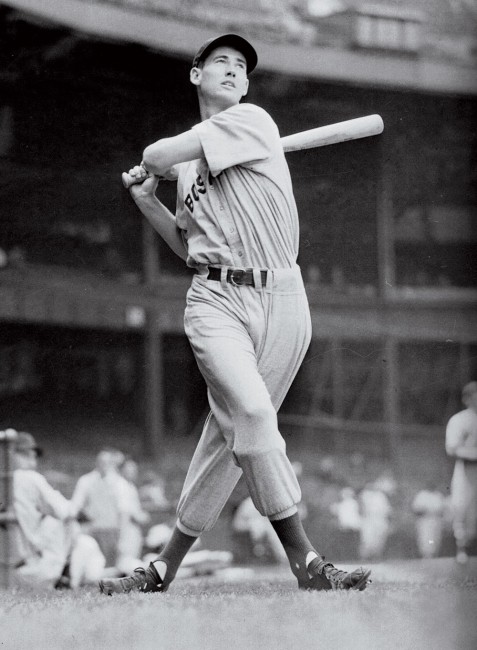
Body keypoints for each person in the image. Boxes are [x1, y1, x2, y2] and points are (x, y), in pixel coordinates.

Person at [100, 33, 370, 595]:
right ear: (195, 75)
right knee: (251, 413)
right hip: (215, 299)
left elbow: (153, 155)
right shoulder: (191, 171)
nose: (231, 71)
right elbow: (185, 243)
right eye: (218, 62)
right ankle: (309, 563)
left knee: (234, 436)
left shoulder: (252, 121)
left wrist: (155, 169)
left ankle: (161, 569)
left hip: (285, 298)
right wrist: (149, 200)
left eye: (240, 67)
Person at [11, 431, 105, 588]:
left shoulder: (9, 479)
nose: (32, 460)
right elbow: (66, 511)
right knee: (75, 531)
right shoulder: (29, 478)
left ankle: (70, 576)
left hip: (5, 570)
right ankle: (67, 577)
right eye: (29, 454)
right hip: (33, 571)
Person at [71, 447, 131, 568]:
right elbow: (76, 504)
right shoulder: (86, 480)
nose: (104, 465)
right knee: (90, 564)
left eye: (108, 462)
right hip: (91, 529)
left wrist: (123, 537)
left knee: (110, 566)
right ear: (96, 462)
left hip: (111, 531)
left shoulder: (120, 484)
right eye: (101, 461)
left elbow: (124, 512)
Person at [445, 381, 477, 564]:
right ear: (466, 398)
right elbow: (452, 448)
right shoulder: (459, 419)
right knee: (463, 508)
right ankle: (462, 550)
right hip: (467, 470)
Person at [412, 482, 447, 559]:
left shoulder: (438, 495)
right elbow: (416, 509)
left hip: (436, 520)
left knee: (435, 539)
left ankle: (434, 555)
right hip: (425, 521)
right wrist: (427, 511)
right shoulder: (422, 495)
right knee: (427, 538)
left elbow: (443, 509)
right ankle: (426, 555)